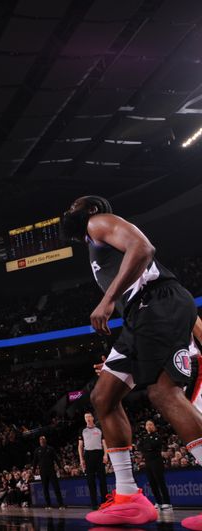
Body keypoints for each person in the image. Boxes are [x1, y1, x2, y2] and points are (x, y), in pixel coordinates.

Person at [62, 195, 202, 528]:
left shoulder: (98, 224)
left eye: (72, 208)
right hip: (140, 317)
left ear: (91, 210)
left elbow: (143, 247)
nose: (67, 212)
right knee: (103, 397)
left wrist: (107, 301)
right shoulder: (96, 244)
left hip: (155, 304)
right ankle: (128, 497)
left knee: (163, 393)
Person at [138, 420, 171, 510]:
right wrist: (147, 448)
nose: (149, 426)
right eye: (147, 424)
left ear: (154, 426)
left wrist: (148, 447)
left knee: (160, 482)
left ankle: (167, 503)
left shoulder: (157, 436)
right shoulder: (144, 437)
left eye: (151, 424)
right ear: (145, 427)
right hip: (148, 462)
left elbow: (153, 445)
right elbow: (140, 447)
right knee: (152, 483)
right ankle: (158, 502)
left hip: (156, 461)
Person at [78, 412, 108, 509]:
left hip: (99, 454)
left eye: (88, 416)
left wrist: (105, 455)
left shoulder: (99, 429)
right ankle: (94, 504)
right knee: (90, 481)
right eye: (85, 417)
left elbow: (104, 443)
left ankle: (105, 502)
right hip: (88, 456)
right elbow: (80, 446)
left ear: (92, 418)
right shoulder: (82, 430)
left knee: (102, 479)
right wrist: (81, 459)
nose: (87, 418)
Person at [33, 435, 64, 509]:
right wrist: (33, 470)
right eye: (40, 439)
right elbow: (35, 461)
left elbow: (56, 459)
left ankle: (61, 505)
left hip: (51, 471)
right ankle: (48, 505)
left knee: (56, 487)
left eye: (43, 439)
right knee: (45, 488)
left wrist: (60, 467)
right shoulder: (37, 450)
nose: (42, 441)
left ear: (45, 440)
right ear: (39, 441)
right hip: (43, 472)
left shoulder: (50, 449)